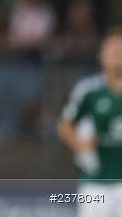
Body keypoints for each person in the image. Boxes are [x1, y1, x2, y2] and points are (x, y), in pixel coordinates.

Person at [58, 29, 122, 217]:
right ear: (101, 56)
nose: (119, 53)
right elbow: (64, 124)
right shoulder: (89, 90)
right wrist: (79, 143)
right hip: (95, 184)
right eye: (114, 49)